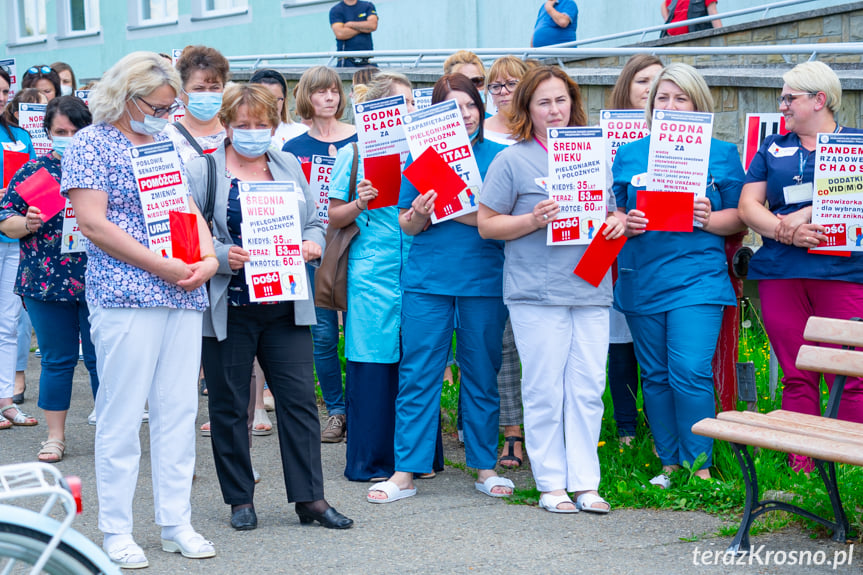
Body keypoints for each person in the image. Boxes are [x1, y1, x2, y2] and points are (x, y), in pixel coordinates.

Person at [61, 51, 219, 567]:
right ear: (127, 98)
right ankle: (117, 530)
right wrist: (161, 266)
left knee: (179, 411)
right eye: (157, 105)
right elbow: (93, 223)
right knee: (122, 416)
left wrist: (209, 256)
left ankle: (176, 521)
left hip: (183, 287)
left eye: (171, 106)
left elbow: (186, 206)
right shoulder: (91, 143)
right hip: (128, 292)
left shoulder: (166, 140)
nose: (166, 114)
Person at [187, 82, 352, 531]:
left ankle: (310, 500)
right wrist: (221, 256)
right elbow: (186, 229)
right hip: (231, 305)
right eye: (244, 125)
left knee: (299, 402)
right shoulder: (204, 171)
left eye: (262, 125)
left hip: (285, 304)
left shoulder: (285, 163)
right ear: (226, 125)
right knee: (229, 404)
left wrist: (313, 243)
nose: (253, 132)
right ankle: (240, 498)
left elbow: (317, 218)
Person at [478, 66, 623, 514]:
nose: (554, 110)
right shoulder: (512, 160)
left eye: (560, 100)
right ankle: (551, 483)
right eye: (543, 102)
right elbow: (487, 225)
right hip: (536, 293)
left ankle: (586, 482)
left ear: (573, 103)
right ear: (527, 109)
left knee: (587, 387)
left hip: (590, 286)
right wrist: (531, 220)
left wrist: (618, 225)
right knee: (544, 388)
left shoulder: (594, 156)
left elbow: (609, 216)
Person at [366, 73, 510, 503]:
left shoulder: (501, 158)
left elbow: (502, 227)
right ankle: (405, 471)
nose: (463, 115)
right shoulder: (420, 156)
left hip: (483, 281)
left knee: (482, 374)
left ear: (480, 108)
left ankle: (485, 466)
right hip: (427, 281)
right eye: (452, 107)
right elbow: (408, 226)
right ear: (436, 114)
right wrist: (423, 211)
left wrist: (461, 209)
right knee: (418, 374)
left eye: (469, 105)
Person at [612, 63, 745, 488]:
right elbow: (613, 211)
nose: (670, 105)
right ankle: (669, 463)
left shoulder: (722, 153)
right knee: (654, 374)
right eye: (662, 98)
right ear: (651, 106)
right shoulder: (630, 153)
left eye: (680, 97)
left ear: (697, 104)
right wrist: (624, 221)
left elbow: (739, 219)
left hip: (697, 279)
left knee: (689, 369)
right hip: (642, 276)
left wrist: (710, 217)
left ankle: (700, 465)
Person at [738, 61, 863, 472]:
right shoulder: (772, 147)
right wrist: (783, 230)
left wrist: (809, 210)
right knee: (796, 372)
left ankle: (846, 470)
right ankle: (802, 468)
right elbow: (747, 205)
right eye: (782, 97)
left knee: (850, 374)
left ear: (819, 100)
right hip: (781, 273)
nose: (783, 104)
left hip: (843, 274)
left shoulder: (856, 144)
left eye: (790, 97)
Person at [328, 72, 416, 482]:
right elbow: (332, 215)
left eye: (414, 102)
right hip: (370, 270)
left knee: (415, 363)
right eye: (404, 103)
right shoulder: (355, 153)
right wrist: (359, 202)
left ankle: (417, 458)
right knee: (371, 361)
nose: (411, 110)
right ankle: (368, 460)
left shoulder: (424, 151)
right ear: (381, 110)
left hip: (415, 268)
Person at [0, 96, 97, 460]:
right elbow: (5, 217)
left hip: (99, 280)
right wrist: (26, 223)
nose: (68, 137)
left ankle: (109, 433)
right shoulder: (32, 173)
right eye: (61, 132)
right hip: (46, 282)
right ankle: (55, 437)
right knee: (58, 360)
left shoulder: (99, 171)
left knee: (101, 359)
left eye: (76, 131)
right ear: (48, 133)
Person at [282, 66, 356, 443]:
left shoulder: (360, 140)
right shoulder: (292, 150)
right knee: (323, 336)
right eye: (320, 92)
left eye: (334, 92)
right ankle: (337, 411)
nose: (329, 98)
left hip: (358, 246)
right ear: (306, 98)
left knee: (359, 331)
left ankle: (362, 407)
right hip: (313, 251)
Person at [605, 54, 663, 446]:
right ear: (626, 87)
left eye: (659, 82)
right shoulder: (605, 134)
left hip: (661, 254)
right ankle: (626, 428)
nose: (651, 90)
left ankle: (658, 426)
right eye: (643, 81)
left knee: (655, 345)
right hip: (613, 248)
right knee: (619, 338)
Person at [481, 55, 529, 468]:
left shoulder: (539, 133)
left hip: (539, 251)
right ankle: (510, 431)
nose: (503, 93)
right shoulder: (477, 135)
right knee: (502, 346)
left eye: (511, 84)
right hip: (489, 251)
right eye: (495, 86)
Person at [0, 67, 36, 431]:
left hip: (15, 238)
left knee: (9, 323)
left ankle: (5, 400)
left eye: (4, 90)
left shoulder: (21, 136)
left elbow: (31, 183)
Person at [164, 45, 229, 164]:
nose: (207, 94)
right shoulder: (166, 138)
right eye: (199, 88)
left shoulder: (236, 133)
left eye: (215, 88)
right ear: (180, 92)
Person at [249, 69, 309, 150]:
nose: (269, 105)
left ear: (284, 99)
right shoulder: (242, 133)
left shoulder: (301, 132)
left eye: (275, 100)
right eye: (263, 99)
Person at [330, 0, 378, 68]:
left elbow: (373, 25)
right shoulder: (336, 10)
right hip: (346, 61)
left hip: (367, 60)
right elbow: (340, 33)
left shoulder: (368, 6)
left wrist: (350, 24)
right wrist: (364, 28)